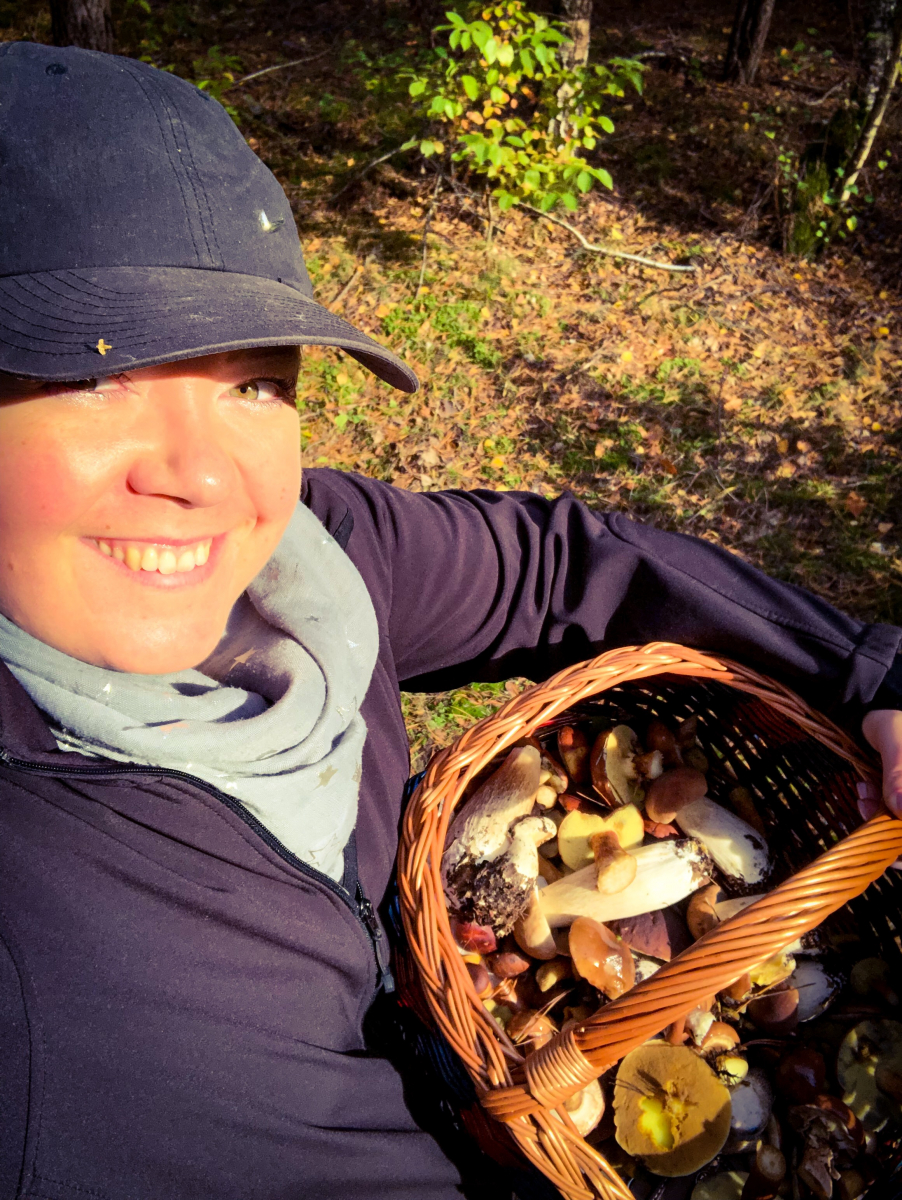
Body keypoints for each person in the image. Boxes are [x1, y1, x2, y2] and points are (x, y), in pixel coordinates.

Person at [0, 39, 899, 1200]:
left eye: (254, 382)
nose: (207, 475)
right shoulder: (76, 1023)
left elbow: (552, 565)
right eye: (94, 374)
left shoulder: (320, 559)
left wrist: (866, 672)